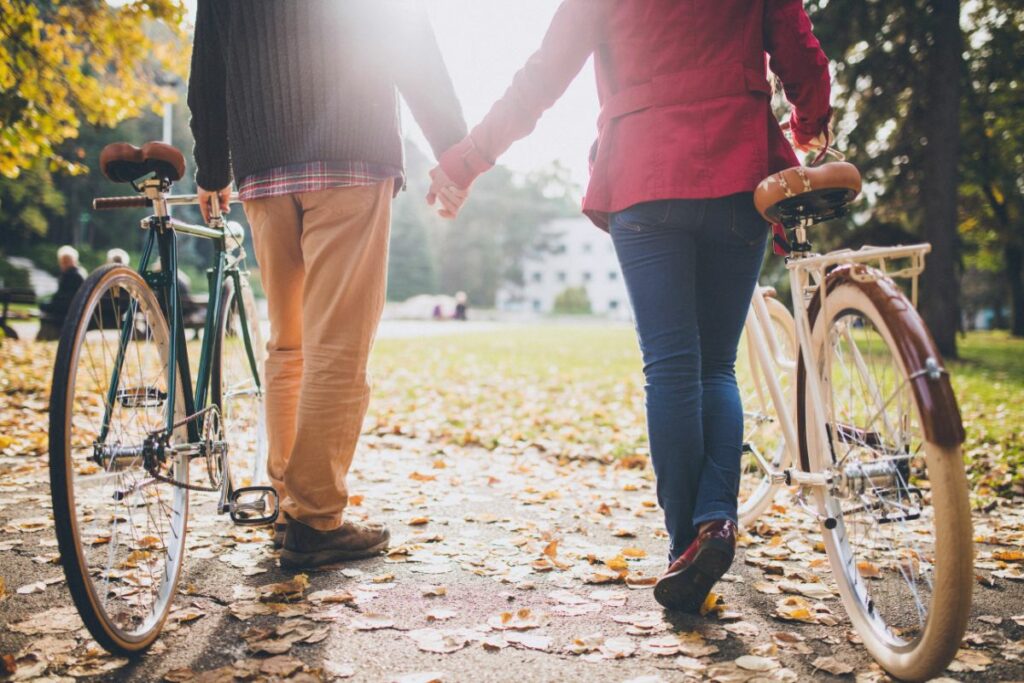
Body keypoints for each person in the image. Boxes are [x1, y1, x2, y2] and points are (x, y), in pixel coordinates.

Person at [431, 1, 831, 612]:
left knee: (672, 367)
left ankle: (685, 549)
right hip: (737, 168)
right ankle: (717, 521)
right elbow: (799, 49)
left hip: (644, 171)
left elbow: (540, 78)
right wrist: (810, 120)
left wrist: (467, 161)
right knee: (715, 367)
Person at [188, 0, 467, 569]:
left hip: (264, 172)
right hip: (350, 156)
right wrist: (455, 150)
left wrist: (213, 170)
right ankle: (314, 519)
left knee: (287, 343)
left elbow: (208, 71)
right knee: (337, 347)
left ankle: (289, 502)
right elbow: (406, 36)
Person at [38, 245, 87, 341]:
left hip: (66, 312)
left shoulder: (70, 276)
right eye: (62, 262)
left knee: (45, 311)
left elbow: (63, 299)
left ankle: (46, 337)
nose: (63, 264)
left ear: (73, 261)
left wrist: (48, 305)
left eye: (65, 262)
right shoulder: (79, 274)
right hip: (72, 309)